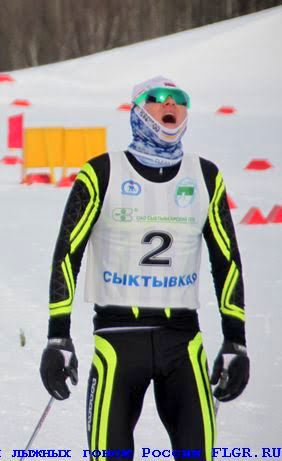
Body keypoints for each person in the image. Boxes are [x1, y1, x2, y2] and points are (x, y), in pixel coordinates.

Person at [40, 76, 249, 461]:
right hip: (118, 339)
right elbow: (66, 255)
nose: (170, 104)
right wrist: (58, 337)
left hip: (183, 341)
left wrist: (236, 340)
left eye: (179, 99)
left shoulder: (205, 176)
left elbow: (227, 261)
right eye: (157, 98)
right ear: (137, 110)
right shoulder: (101, 172)